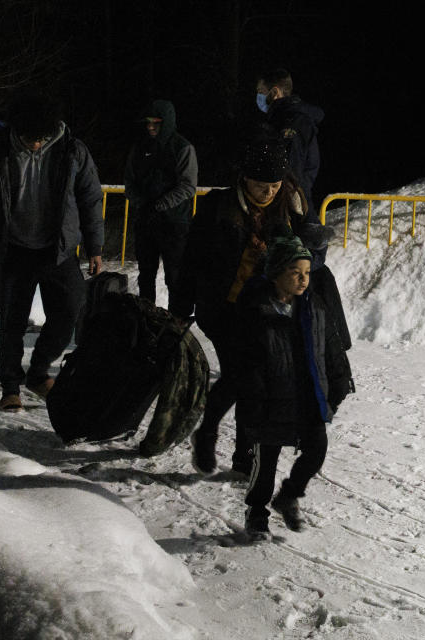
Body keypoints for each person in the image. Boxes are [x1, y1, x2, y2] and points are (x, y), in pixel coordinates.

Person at [170, 131, 324, 477]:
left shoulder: (291, 206)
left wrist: (307, 249)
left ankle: (241, 454)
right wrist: (180, 309)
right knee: (244, 376)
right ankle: (213, 435)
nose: (268, 192)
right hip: (223, 306)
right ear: (244, 179)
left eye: (274, 185)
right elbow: (190, 260)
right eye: (260, 185)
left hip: (266, 309)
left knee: (255, 380)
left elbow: (310, 253)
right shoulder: (217, 207)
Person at [0, 91, 104, 412]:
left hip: (57, 250)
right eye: (30, 138)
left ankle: (39, 371)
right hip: (13, 248)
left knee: (69, 310)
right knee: (12, 323)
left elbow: (90, 198)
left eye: (41, 138)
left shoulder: (72, 151)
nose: (36, 144)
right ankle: (10, 387)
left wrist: (95, 247)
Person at [233, 234, 352, 541]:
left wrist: (339, 381)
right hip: (269, 398)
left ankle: (289, 495)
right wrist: (252, 401)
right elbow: (245, 361)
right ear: (276, 273)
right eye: (295, 273)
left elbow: (330, 346)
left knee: (317, 448)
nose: (303, 279)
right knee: (266, 459)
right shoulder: (256, 309)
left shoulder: (312, 306)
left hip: (306, 395)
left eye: (307, 273)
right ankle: (256, 512)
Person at [124, 99, 198, 308]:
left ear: (167, 122)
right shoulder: (139, 147)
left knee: (175, 276)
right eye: (148, 122)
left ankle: (177, 323)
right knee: (145, 274)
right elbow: (129, 181)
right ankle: (146, 319)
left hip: (174, 223)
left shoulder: (182, 147)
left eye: (156, 123)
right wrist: (140, 203)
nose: (150, 127)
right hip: (145, 222)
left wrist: (160, 205)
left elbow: (188, 186)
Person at [256, 68, 324, 205]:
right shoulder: (279, 119)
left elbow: (292, 171)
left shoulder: (293, 121)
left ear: (274, 92)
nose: (258, 96)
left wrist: (283, 206)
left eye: (261, 92)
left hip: (288, 207)